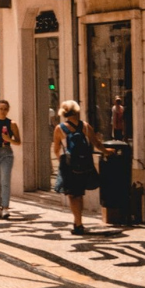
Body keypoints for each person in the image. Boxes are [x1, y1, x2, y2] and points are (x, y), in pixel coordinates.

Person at [53, 100, 110, 235]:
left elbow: (56, 149)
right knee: (79, 193)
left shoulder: (59, 128)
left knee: (73, 195)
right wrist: (108, 151)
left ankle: (78, 223)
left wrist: (60, 160)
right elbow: (97, 144)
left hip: (68, 165)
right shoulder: (85, 126)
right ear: (77, 111)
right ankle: (78, 222)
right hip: (84, 164)